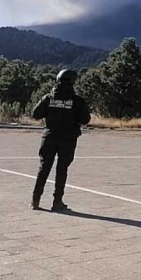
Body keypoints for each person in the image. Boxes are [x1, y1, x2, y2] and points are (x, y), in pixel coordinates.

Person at [30, 69, 91, 212]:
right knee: (62, 169)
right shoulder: (77, 101)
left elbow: (35, 114)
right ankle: (57, 202)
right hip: (68, 139)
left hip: (49, 137)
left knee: (43, 168)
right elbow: (85, 119)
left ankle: (35, 200)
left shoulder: (48, 98)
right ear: (73, 82)